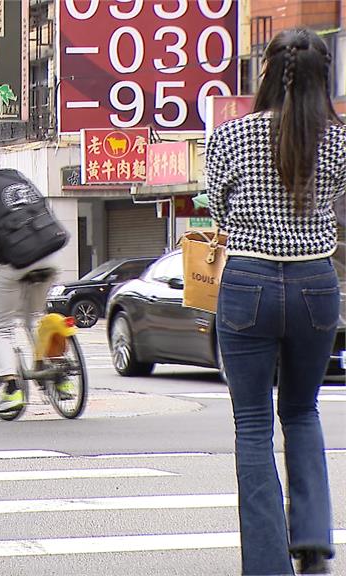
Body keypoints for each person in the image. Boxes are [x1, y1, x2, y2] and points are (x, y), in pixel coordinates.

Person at [206, 28, 345, 576]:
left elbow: (216, 206)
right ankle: (312, 543)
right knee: (303, 412)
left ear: (266, 73)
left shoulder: (232, 135)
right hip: (315, 283)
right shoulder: (338, 140)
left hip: (247, 283)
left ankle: (266, 564)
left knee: (254, 424)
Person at [0, 148, 73, 415]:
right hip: (50, 252)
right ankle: (59, 375)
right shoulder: (16, 176)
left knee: (1, 326)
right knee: (36, 317)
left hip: (18, 259)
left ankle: (11, 388)